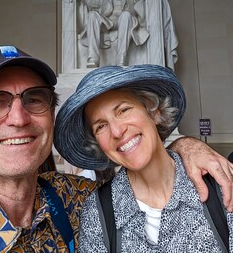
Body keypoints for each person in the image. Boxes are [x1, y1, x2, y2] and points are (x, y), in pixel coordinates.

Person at [0, 46, 232, 252]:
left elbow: (144, 171)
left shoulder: (74, 198)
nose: (19, 118)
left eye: (34, 98)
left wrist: (185, 147)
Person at [54, 64, 233, 252]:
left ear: (153, 110)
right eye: (101, 126)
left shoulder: (222, 184)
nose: (117, 131)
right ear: (98, 144)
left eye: (123, 110)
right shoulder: (97, 213)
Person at [64, 0, 178, 68]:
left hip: (125, 22)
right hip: (107, 23)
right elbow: (86, 1)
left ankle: (121, 59)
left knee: (126, 15)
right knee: (93, 15)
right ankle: (93, 58)